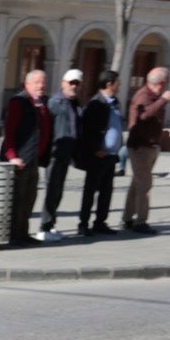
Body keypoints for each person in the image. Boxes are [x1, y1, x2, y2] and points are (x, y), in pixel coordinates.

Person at [0, 68, 53, 246]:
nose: (42, 86)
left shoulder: (41, 103)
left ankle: (23, 233)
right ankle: (13, 235)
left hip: (33, 158)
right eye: (37, 82)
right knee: (17, 199)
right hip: (19, 160)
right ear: (27, 84)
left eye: (43, 82)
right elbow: (10, 130)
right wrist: (12, 155)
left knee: (29, 198)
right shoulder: (19, 101)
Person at [124, 66, 170, 233]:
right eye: (165, 84)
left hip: (150, 146)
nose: (166, 88)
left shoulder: (153, 95)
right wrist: (163, 101)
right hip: (140, 147)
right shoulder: (143, 96)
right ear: (161, 83)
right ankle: (141, 222)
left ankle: (128, 218)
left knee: (137, 184)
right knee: (145, 184)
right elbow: (143, 116)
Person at [75, 69, 123, 237]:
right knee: (91, 190)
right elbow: (86, 129)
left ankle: (100, 222)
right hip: (98, 156)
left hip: (111, 155)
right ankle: (83, 223)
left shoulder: (115, 102)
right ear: (109, 84)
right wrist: (96, 149)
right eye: (118, 82)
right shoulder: (96, 103)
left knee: (106, 191)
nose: (120, 85)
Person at [38, 69, 83, 242]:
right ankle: (44, 227)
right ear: (63, 83)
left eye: (77, 83)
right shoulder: (55, 102)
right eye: (71, 82)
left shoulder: (74, 103)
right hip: (55, 153)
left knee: (58, 191)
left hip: (66, 153)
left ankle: (51, 225)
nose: (74, 86)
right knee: (52, 190)